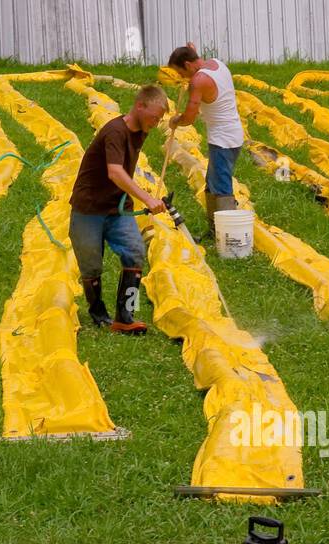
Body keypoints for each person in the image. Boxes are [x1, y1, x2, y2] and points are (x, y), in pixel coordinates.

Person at [68, 84, 168, 334]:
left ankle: (125, 316)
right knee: (91, 266)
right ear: (139, 106)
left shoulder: (142, 129)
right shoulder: (115, 131)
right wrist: (147, 198)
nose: (156, 123)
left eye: (160, 118)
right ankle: (98, 312)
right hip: (89, 208)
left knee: (135, 251)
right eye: (155, 117)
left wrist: (175, 121)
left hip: (117, 209)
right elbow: (115, 172)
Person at [166, 43, 245, 241]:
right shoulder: (216, 64)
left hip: (223, 141)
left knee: (221, 187)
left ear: (187, 64)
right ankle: (215, 231)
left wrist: (175, 120)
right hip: (233, 135)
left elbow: (189, 119)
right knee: (212, 183)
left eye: (181, 73)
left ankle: (230, 239)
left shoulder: (198, 81)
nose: (183, 78)